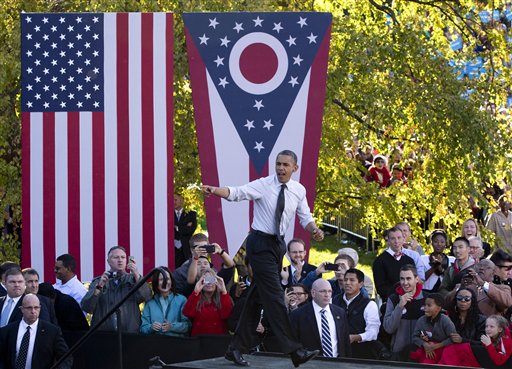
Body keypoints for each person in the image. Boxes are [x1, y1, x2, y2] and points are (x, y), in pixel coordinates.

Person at [201, 149, 324, 367]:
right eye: (278, 164)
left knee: (256, 298)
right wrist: (215, 190)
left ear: (294, 168)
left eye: (286, 165)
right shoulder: (264, 184)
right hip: (259, 244)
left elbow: (305, 216)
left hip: (277, 246)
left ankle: (235, 348)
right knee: (276, 297)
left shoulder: (298, 190)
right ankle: (294, 351)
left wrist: (314, 230)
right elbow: (237, 192)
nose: (281, 168)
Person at [81, 246, 151, 332]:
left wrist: (137, 276)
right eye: (116, 257)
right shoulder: (98, 281)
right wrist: (99, 287)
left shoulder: (133, 280)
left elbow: (147, 297)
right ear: (108, 261)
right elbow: (87, 307)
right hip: (104, 335)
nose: (120, 260)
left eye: (123, 257)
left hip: (129, 334)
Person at [0, 294, 73, 369]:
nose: (33, 311)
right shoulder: (7, 331)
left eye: (36, 308)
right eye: (29, 308)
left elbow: (66, 357)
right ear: (22, 309)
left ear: (40, 308)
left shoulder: (52, 331)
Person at [289, 279, 351, 358]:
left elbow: (345, 340)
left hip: (338, 362)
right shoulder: (298, 314)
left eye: (329, 291)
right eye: (323, 291)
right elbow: (294, 343)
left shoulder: (339, 312)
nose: (327, 295)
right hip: (312, 363)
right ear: (313, 293)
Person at [332, 269, 383, 359]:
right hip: (336, 350)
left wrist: (356, 337)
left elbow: (373, 332)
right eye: (345, 280)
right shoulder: (333, 301)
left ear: (361, 284)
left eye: (352, 280)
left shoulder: (369, 304)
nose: (347, 283)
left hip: (360, 353)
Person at [383, 264, 427, 359]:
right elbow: (389, 328)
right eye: (402, 279)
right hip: (398, 353)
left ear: (416, 279)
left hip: (422, 351)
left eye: (408, 278)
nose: (405, 282)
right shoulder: (393, 299)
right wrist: (400, 306)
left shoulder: (427, 299)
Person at [372, 227, 424, 303]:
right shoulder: (380, 261)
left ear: (403, 239)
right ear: (388, 241)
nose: (396, 241)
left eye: (399, 238)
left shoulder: (409, 260)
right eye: (393, 238)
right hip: (391, 301)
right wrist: (400, 296)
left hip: (412, 299)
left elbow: (415, 282)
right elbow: (381, 288)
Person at [174, 233, 235, 297]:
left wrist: (220, 251)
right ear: (192, 250)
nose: (202, 250)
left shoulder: (213, 272)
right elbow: (188, 285)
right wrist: (195, 258)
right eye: (198, 247)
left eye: (205, 247)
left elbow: (230, 266)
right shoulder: (180, 273)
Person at [439, 315, 512, 368]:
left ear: (500, 329)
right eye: (486, 326)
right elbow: (479, 345)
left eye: (491, 326)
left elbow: (499, 361)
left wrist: (489, 345)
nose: (488, 329)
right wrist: (463, 340)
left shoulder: (506, 340)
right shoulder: (491, 336)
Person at [445, 259, 512, 317]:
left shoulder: (502, 288)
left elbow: (507, 302)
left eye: (487, 267)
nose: (482, 268)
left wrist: (483, 283)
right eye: (480, 265)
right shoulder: (461, 286)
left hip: (486, 328)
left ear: (493, 272)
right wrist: (462, 288)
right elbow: (446, 304)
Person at [140, 267, 190, 336]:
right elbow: (143, 328)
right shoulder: (150, 303)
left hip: (177, 343)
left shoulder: (182, 300)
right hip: (156, 344)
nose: (165, 282)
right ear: (156, 283)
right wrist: (151, 327)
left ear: (172, 281)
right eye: (161, 279)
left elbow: (187, 326)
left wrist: (172, 327)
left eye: (167, 279)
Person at [182, 268, 233, 336]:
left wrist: (224, 291)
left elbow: (227, 316)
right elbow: (188, 313)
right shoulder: (195, 297)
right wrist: (196, 292)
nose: (209, 283)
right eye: (206, 280)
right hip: (199, 340)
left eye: (212, 279)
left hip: (219, 339)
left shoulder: (224, 297)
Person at [409, 293, 456, 364]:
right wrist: (424, 344)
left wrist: (436, 346)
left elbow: (453, 339)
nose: (425, 308)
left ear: (438, 308)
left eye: (429, 305)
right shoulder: (421, 320)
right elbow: (415, 337)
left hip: (443, 350)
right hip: (427, 350)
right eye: (425, 305)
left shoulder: (445, 320)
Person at [174, 193, 198, 268]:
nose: (173, 202)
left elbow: (191, 230)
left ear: (181, 201)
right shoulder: (166, 214)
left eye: (175, 200)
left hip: (186, 251)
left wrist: (177, 228)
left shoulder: (191, 214)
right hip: (171, 251)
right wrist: (184, 227)